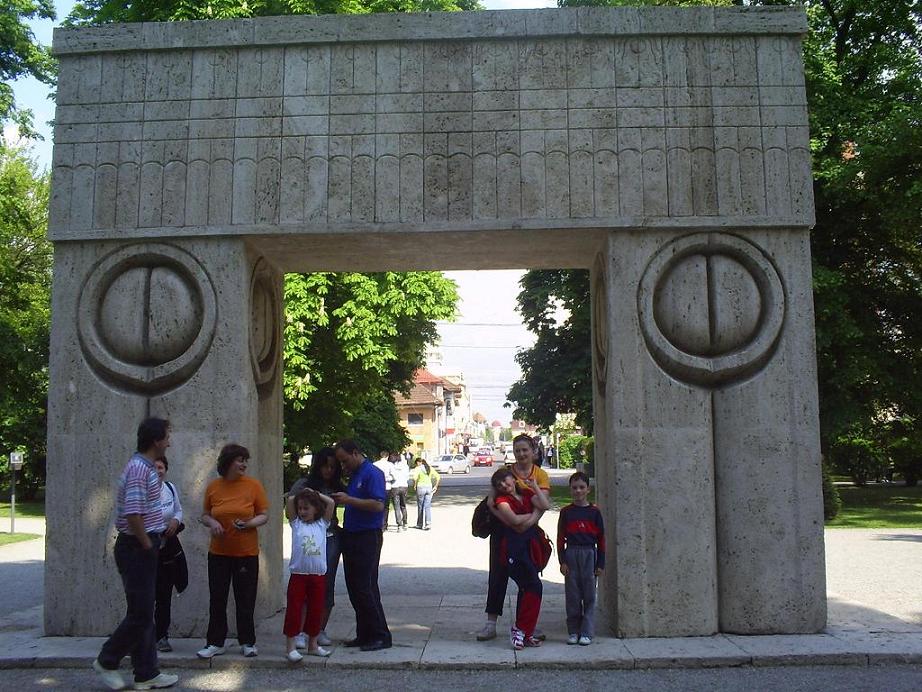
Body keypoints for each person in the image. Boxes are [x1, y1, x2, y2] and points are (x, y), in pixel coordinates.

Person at [93, 417, 179, 691]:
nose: (169, 441)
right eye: (167, 436)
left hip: (142, 545)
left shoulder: (146, 467)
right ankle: (107, 660)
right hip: (136, 547)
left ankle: (146, 673)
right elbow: (132, 514)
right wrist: (146, 544)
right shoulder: (139, 469)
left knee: (142, 613)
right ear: (156, 440)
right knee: (141, 614)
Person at [197, 444, 269, 659]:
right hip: (218, 552)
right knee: (217, 598)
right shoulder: (213, 487)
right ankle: (215, 642)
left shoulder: (253, 486)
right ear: (228, 462)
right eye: (240, 460)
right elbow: (205, 515)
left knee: (245, 598)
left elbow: (264, 515)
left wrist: (248, 524)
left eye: (245, 460)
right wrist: (213, 523)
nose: (244, 464)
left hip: (246, 552)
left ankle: (247, 642)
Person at [477, 433, 550, 642]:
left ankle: (525, 624)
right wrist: (515, 522)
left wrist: (526, 523)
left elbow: (543, 504)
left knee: (527, 578)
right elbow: (491, 502)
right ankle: (491, 624)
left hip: (528, 532)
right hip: (503, 531)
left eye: (525, 450)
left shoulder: (540, 475)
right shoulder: (505, 473)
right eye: (517, 450)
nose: (521, 454)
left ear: (533, 451)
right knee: (497, 576)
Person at [331, 439, 392, 651]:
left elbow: (378, 505)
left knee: (366, 587)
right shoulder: (356, 474)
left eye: (345, 461)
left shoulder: (372, 473)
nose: (343, 466)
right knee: (354, 587)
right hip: (352, 534)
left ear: (356, 453)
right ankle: (364, 633)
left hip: (367, 535)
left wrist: (348, 500)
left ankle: (380, 635)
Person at [288, 447, 346, 648]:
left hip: (329, 536)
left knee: (326, 585)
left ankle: (319, 629)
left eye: (332, 467)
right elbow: (290, 507)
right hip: (309, 535)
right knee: (304, 586)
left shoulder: (336, 485)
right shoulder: (304, 484)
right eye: (325, 466)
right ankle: (301, 631)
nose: (328, 470)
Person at [490, 466, 550, 650]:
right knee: (533, 585)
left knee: (530, 588)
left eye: (505, 480)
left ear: (513, 479)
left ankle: (526, 631)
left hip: (530, 547)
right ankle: (520, 629)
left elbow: (545, 505)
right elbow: (515, 522)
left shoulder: (526, 493)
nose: (503, 485)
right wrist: (533, 516)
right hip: (514, 550)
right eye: (498, 484)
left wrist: (535, 487)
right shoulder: (501, 501)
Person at [283, 488, 335, 661]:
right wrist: (301, 493)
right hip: (298, 575)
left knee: (316, 610)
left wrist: (316, 494)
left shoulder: (322, 524)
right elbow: (290, 500)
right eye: (300, 508)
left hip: (318, 576)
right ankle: (290, 647)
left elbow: (331, 503)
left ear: (316, 509)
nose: (302, 512)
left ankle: (313, 645)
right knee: (294, 609)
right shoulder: (296, 524)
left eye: (306, 508)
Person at [557, 471, 605, 646]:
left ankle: (586, 632)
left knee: (589, 594)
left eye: (581, 487)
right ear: (570, 489)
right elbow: (560, 538)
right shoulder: (566, 512)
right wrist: (562, 561)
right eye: (574, 487)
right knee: (573, 595)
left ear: (588, 489)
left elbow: (601, 539)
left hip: (589, 553)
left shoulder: (594, 512)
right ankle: (573, 631)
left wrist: (600, 563)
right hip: (572, 553)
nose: (578, 491)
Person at [154, 456, 188, 653]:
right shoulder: (142, 491)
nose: (158, 471)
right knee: (143, 597)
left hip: (167, 551)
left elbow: (178, 510)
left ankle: (161, 636)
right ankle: (139, 637)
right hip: (147, 551)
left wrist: (175, 522)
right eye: (154, 467)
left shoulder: (170, 488)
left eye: (161, 467)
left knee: (164, 595)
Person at [409, 457, 440, 530]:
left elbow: (414, 478)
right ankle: (428, 524)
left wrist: (415, 485)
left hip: (420, 487)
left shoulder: (418, 468)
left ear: (418, 463)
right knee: (427, 506)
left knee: (420, 506)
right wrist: (436, 486)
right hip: (429, 487)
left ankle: (420, 524)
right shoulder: (430, 468)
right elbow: (438, 477)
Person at [373, 451, 395, 530]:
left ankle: (377, 522)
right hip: (387, 487)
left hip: (376, 487)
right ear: (387, 456)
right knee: (386, 507)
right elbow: (394, 476)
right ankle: (384, 524)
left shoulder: (375, 464)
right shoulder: (390, 465)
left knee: (376, 505)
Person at [389, 452, 410, 531]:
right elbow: (407, 477)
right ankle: (405, 523)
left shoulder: (392, 466)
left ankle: (399, 525)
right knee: (403, 506)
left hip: (395, 487)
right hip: (404, 486)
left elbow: (392, 477)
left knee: (397, 507)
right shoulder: (405, 466)